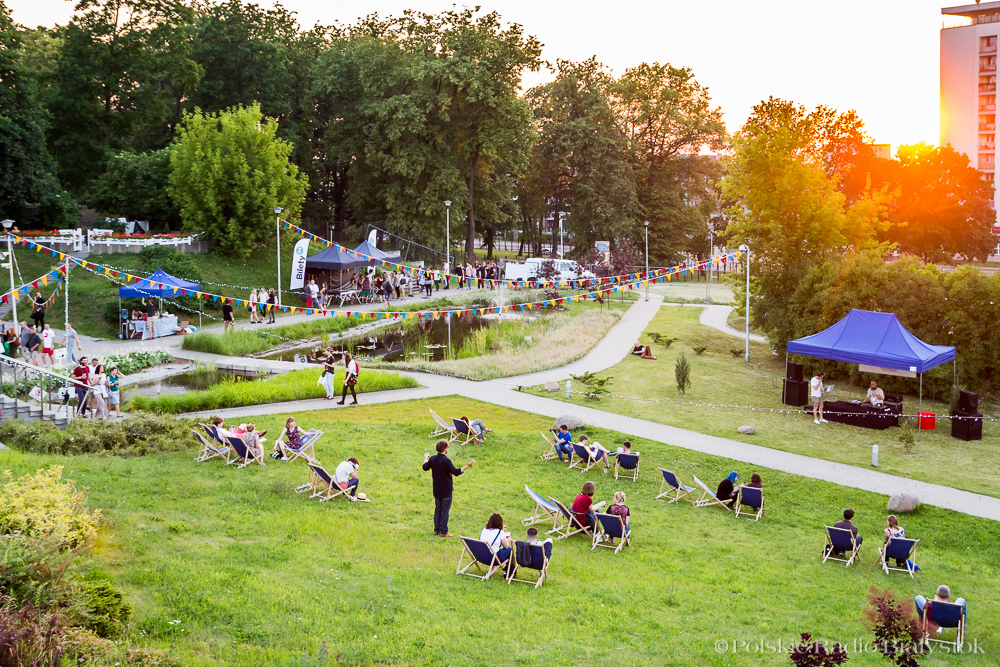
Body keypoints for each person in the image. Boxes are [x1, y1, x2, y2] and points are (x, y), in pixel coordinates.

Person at [422, 439, 475, 537]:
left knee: (438, 509)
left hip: (436, 489)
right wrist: (467, 466)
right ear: (445, 449)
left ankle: (436, 530)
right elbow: (456, 472)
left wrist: (426, 458)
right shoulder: (446, 461)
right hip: (446, 490)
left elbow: (425, 467)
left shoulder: (433, 459)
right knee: (445, 511)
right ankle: (444, 532)